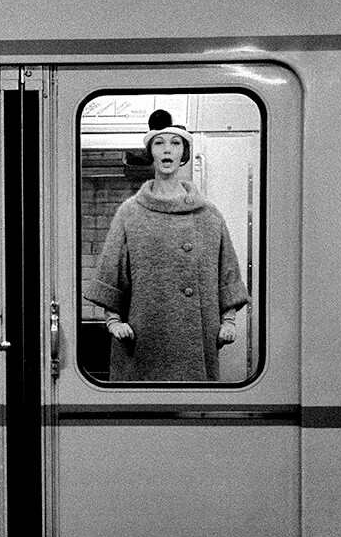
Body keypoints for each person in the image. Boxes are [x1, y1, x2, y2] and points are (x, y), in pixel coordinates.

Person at [85, 109, 249, 381]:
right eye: (159, 143)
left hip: (196, 347)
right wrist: (114, 322)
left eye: (175, 143)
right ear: (151, 151)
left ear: (184, 152)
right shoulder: (130, 213)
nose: (167, 150)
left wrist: (228, 321)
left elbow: (227, 276)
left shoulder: (208, 214)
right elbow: (111, 280)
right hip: (141, 347)